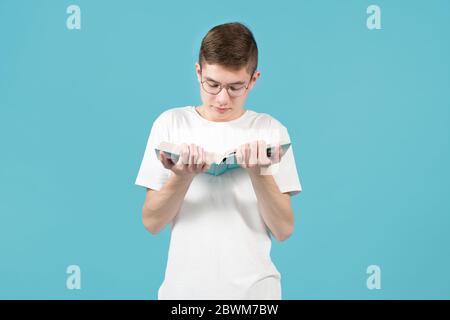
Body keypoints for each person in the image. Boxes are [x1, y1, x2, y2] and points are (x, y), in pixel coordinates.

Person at [135, 22, 302, 300]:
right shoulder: (171, 124)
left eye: (236, 87)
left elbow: (284, 230)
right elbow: (152, 222)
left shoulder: (271, 131)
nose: (222, 98)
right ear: (198, 72)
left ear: (254, 80)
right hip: (184, 296)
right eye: (212, 84)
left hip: (256, 296)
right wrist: (182, 176)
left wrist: (259, 173)